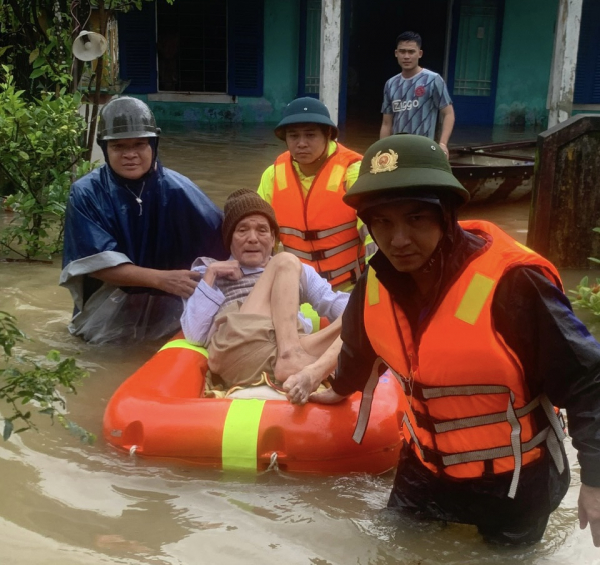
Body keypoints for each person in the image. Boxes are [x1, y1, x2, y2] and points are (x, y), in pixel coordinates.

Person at [299, 134, 600, 546]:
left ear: (447, 214)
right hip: (423, 471)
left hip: (514, 482)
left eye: (416, 218)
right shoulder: (376, 280)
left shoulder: (514, 285)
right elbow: (358, 347)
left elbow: (589, 382)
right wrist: (339, 388)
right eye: (382, 222)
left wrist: (596, 482)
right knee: (392, 550)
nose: (398, 239)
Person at [60, 96, 226, 345]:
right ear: (105, 149)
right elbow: (93, 262)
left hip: (170, 307)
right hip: (108, 307)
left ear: (153, 145)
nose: (130, 155)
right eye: (119, 147)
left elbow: (224, 241)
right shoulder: (86, 193)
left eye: (139, 145)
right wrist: (162, 279)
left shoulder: (179, 190)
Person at [181, 188, 349, 399]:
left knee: (365, 310)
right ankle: (292, 356)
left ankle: (299, 361)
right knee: (285, 261)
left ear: (272, 238)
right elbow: (195, 335)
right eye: (242, 230)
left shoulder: (300, 272)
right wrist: (212, 274)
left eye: (262, 230)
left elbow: (333, 303)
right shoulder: (208, 270)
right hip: (239, 348)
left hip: (279, 350)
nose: (252, 238)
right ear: (229, 239)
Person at [258, 97, 375, 292]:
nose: (301, 143)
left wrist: (373, 285)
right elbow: (261, 233)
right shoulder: (272, 176)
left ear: (328, 134)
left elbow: (374, 234)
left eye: (310, 135)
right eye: (293, 136)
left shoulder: (353, 172)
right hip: (297, 288)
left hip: (349, 288)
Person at [380, 31, 455, 158]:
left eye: (411, 52)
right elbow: (387, 123)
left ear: (419, 54)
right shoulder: (391, 84)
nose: (406, 56)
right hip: (397, 150)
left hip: (425, 150)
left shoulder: (433, 80)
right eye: (402, 52)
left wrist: (442, 144)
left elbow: (448, 113)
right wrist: (382, 150)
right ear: (396, 54)